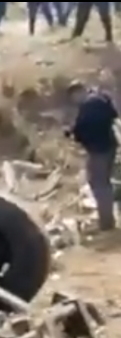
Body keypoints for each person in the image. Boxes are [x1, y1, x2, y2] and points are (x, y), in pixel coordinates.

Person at [66, 80, 119, 232]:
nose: (73, 101)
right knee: (102, 183)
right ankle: (107, 219)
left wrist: (75, 132)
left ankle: (106, 223)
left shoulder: (90, 104)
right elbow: (112, 116)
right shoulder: (99, 100)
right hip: (106, 146)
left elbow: (85, 126)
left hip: (99, 149)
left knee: (99, 184)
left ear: (78, 92)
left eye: (73, 96)